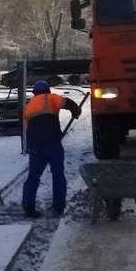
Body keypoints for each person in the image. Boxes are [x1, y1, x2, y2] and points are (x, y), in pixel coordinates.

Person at [21, 80, 82, 218]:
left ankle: (28, 205)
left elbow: (28, 124)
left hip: (35, 145)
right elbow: (69, 103)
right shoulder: (52, 98)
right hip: (52, 142)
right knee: (58, 175)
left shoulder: (28, 105)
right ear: (47, 90)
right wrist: (76, 111)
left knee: (33, 176)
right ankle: (58, 207)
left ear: (34, 92)